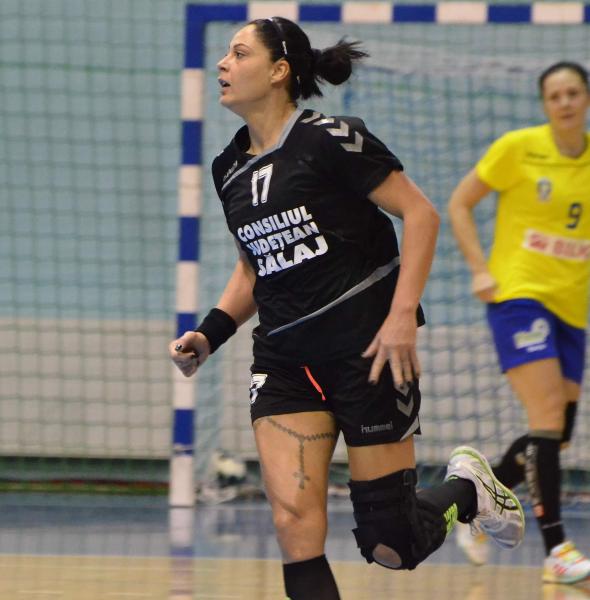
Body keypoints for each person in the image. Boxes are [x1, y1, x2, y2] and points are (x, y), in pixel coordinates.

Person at [169, 17, 524, 600]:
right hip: (285, 364)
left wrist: (402, 315)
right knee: (293, 524)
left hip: (368, 352)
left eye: (238, 53)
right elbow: (255, 265)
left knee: (391, 545)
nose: (223, 65)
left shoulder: (330, 139)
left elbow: (422, 214)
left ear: (279, 70)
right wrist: (209, 334)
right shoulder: (227, 168)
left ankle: (468, 488)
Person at [448, 61, 590, 584]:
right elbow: (460, 204)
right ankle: (558, 551)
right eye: (555, 95)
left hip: (572, 309)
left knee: (556, 434)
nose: (565, 102)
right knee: (547, 415)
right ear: (544, 104)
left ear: (586, 98)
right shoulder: (518, 149)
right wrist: (479, 269)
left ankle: (475, 501)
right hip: (520, 297)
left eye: (573, 93)